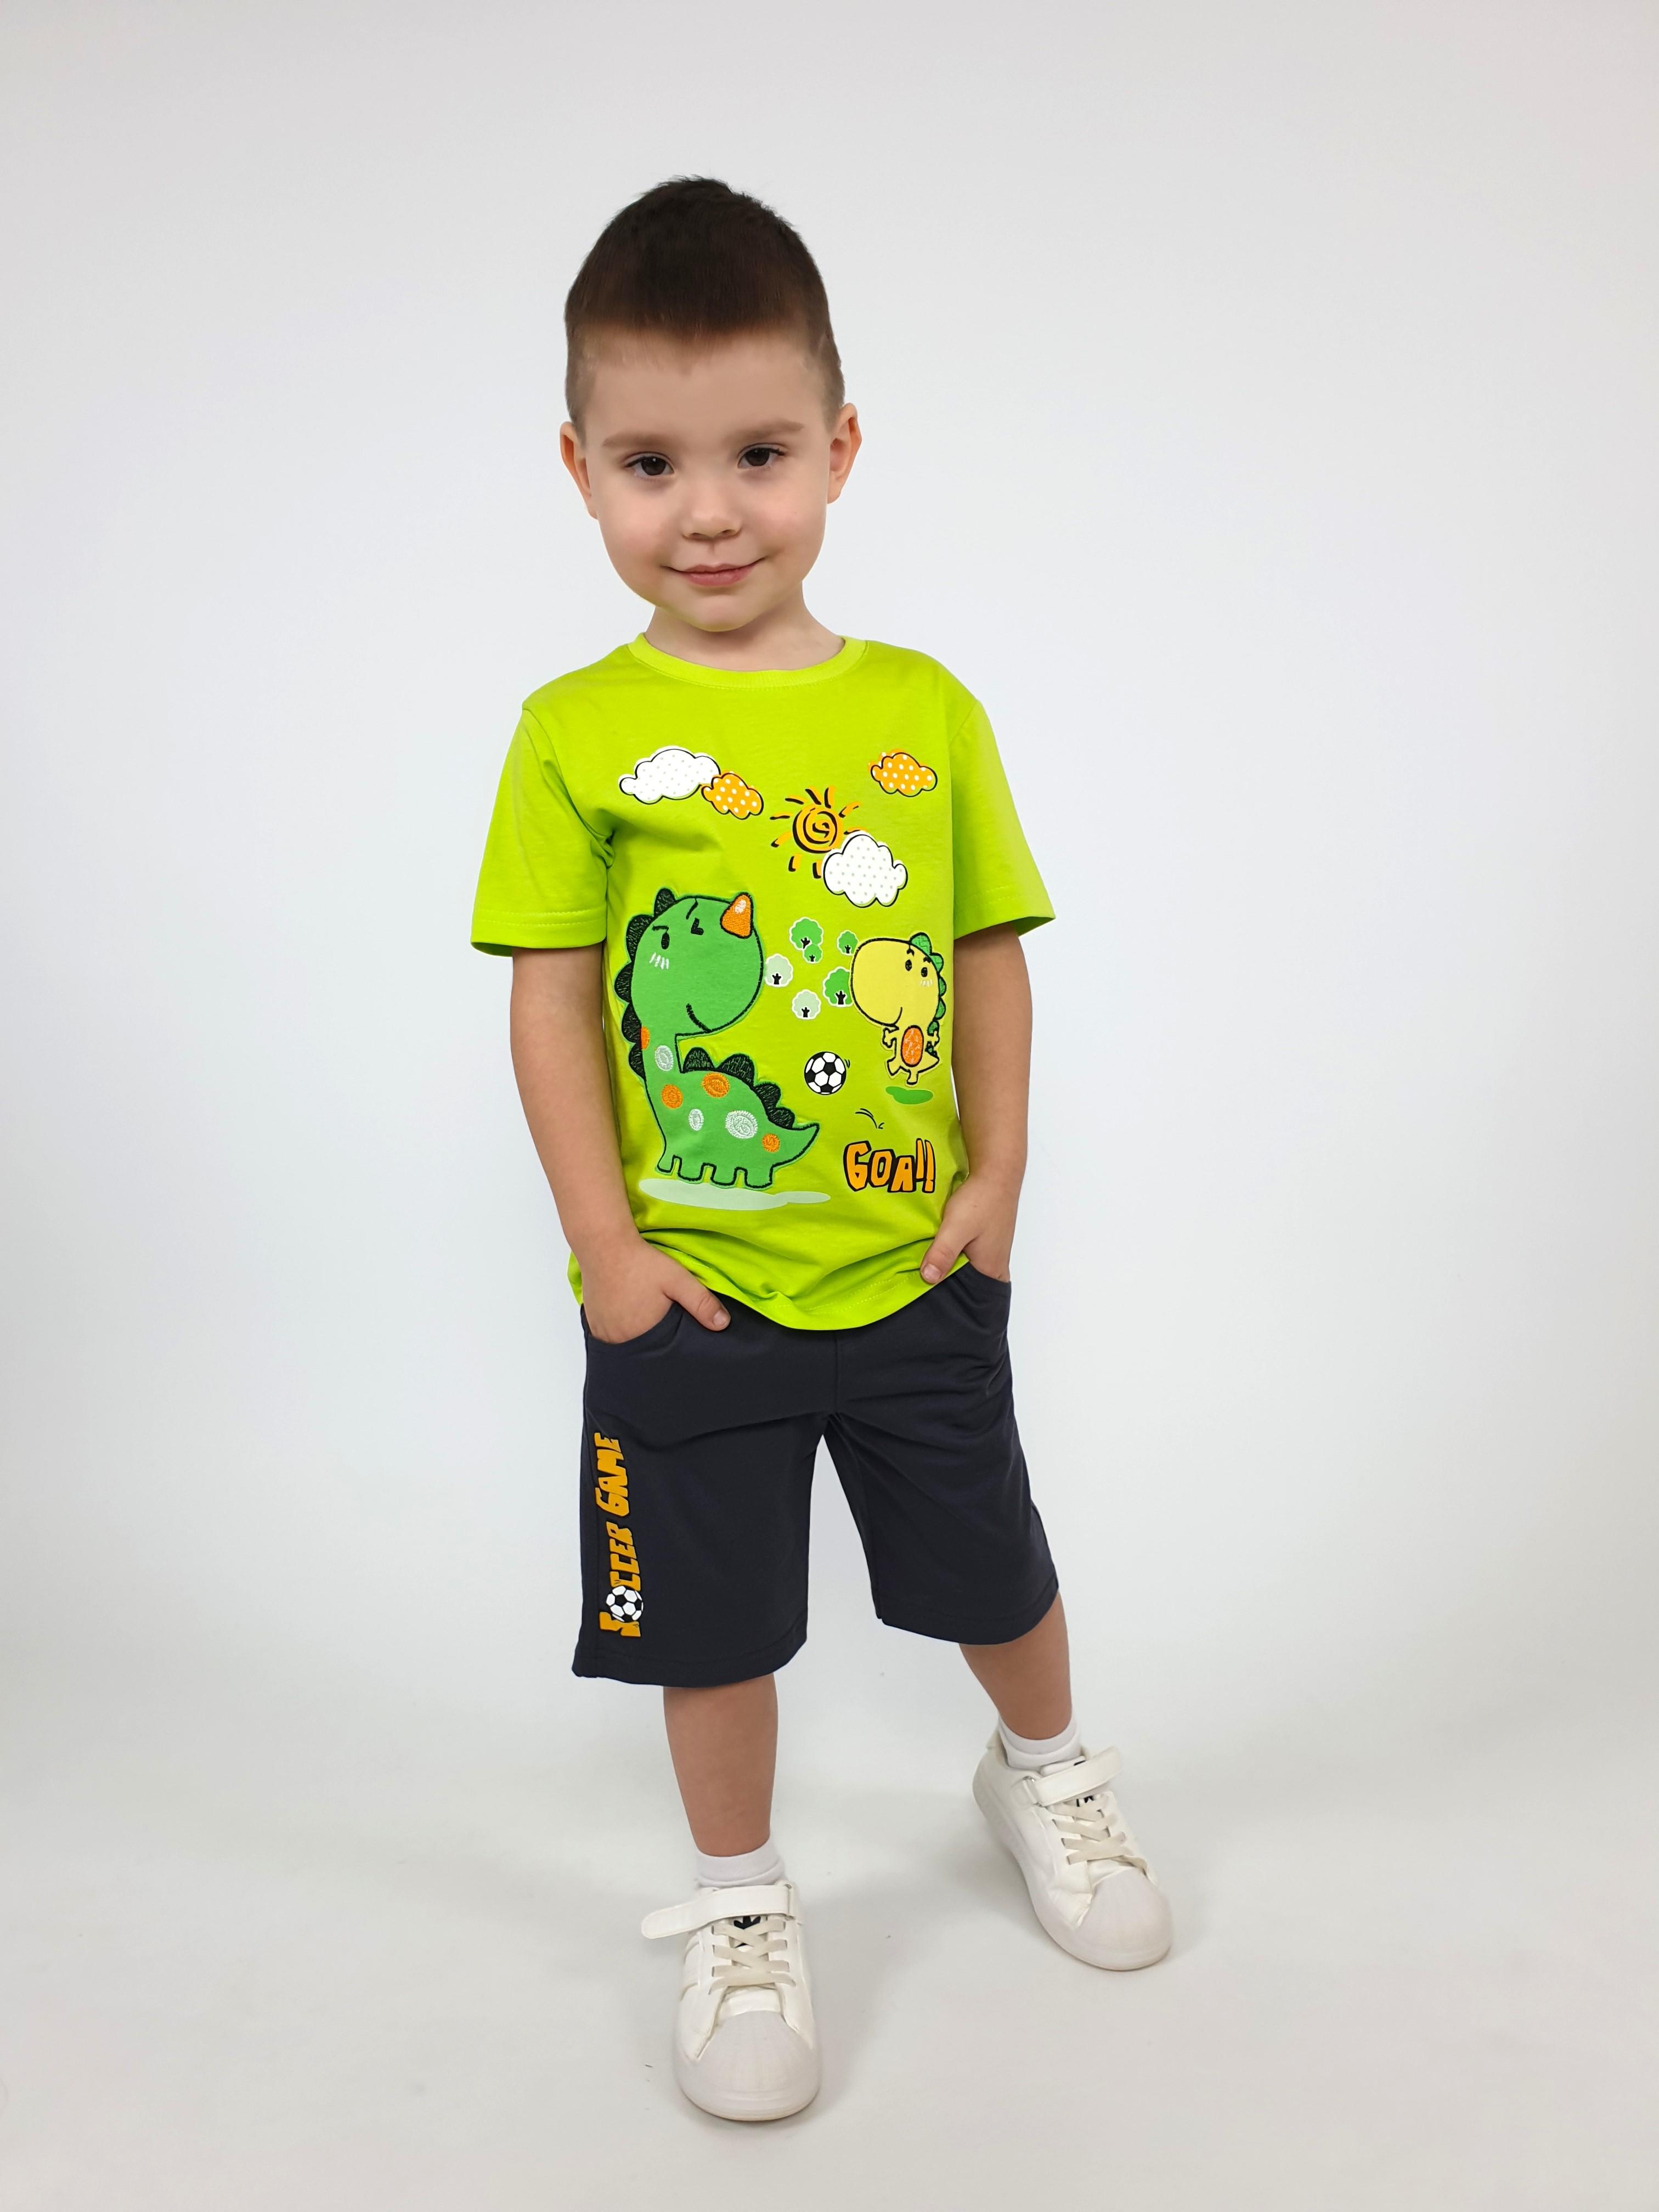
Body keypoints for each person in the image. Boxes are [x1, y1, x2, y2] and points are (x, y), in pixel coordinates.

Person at [471, 177, 1171, 2124]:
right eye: (651, 463)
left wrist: (998, 1184)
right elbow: (547, 1005)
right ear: (580, 470)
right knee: (714, 1633)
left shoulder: (922, 712)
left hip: (916, 1268)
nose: (709, 511)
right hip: (691, 1296)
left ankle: (1044, 1775)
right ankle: (740, 1902)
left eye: (759, 455)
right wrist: (611, 1256)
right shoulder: (572, 733)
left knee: (995, 1569)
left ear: (841, 449)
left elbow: (984, 954)